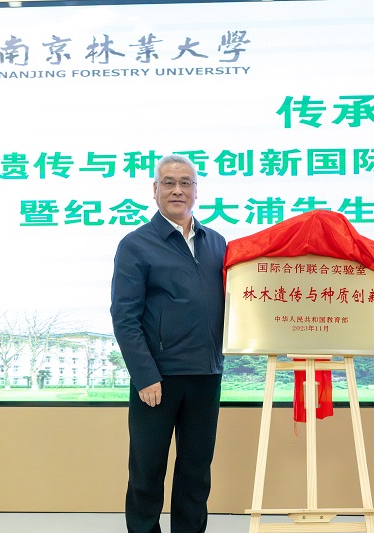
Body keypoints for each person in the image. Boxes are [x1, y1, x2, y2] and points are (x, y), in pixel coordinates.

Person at [110, 154, 226, 533]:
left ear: (196, 190)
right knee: (146, 475)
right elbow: (124, 317)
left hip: (206, 376)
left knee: (196, 476)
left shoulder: (216, 242)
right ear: (155, 189)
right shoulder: (136, 245)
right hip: (156, 381)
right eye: (169, 182)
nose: (178, 190)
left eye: (185, 183)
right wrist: (145, 376)